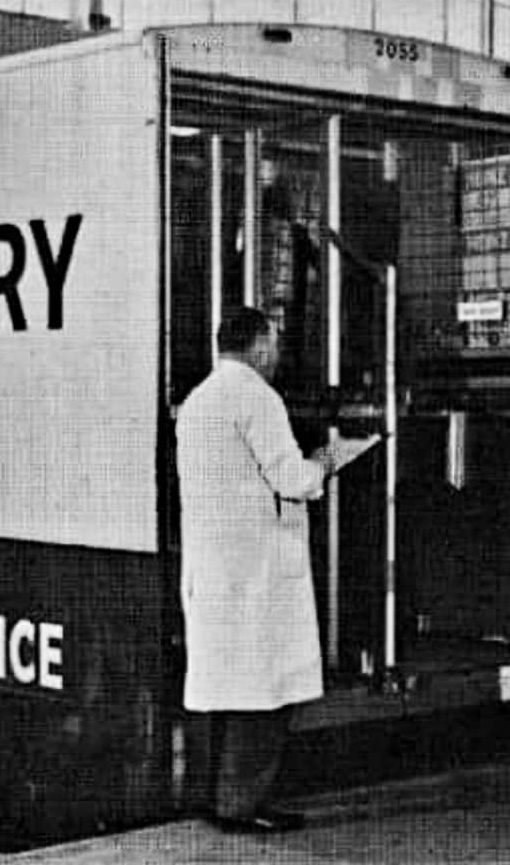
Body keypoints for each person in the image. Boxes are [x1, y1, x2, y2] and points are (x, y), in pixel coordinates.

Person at [175, 306, 334, 833]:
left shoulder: (199, 400)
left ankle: (217, 799)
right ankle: (244, 805)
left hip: (218, 566)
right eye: (276, 343)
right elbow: (291, 479)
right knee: (262, 696)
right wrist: (326, 463)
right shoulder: (256, 397)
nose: (278, 354)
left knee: (224, 691)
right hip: (257, 571)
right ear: (261, 346)